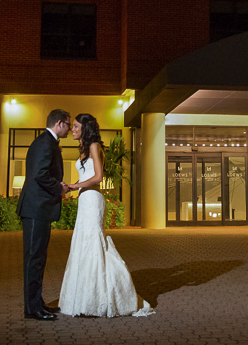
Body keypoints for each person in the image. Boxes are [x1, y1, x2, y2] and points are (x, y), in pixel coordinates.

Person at [59, 113, 154, 317]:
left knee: (94, 245)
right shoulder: (85, 148)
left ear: (85, 128)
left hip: (93, 200)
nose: (72, 129)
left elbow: (99, 177)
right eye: (72, 126)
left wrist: (75, 185)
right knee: (83, 244)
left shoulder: (94, 146)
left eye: (75, 126)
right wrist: (71, 187)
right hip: (85, 200)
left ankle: (101, 296)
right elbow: (87, 176)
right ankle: (86, 297)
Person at [17, 109, 71, 321]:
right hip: (35, 209)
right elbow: (40, 175)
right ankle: (32, 309)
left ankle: (37, 303)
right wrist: (60, 189)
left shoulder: (46, 142)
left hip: (39, 209)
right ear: (59, 123)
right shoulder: (45, 143)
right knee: (34, 259)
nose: (69, 128)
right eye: (68, 124)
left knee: (38, 258)